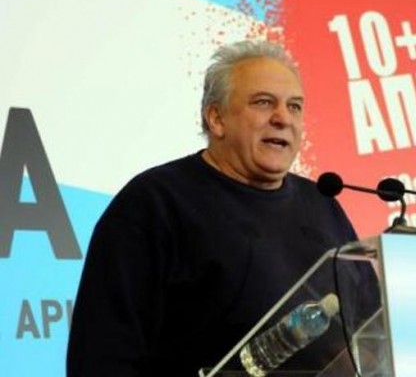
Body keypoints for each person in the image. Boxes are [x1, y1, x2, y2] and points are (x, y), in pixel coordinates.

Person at [66, 41, 369, 376]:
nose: (283, 118)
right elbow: (102, 355)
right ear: (216, 118)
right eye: (263, 102)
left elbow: (371, 329)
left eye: (294, 106)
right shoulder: (153, 204)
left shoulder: (322, 203)